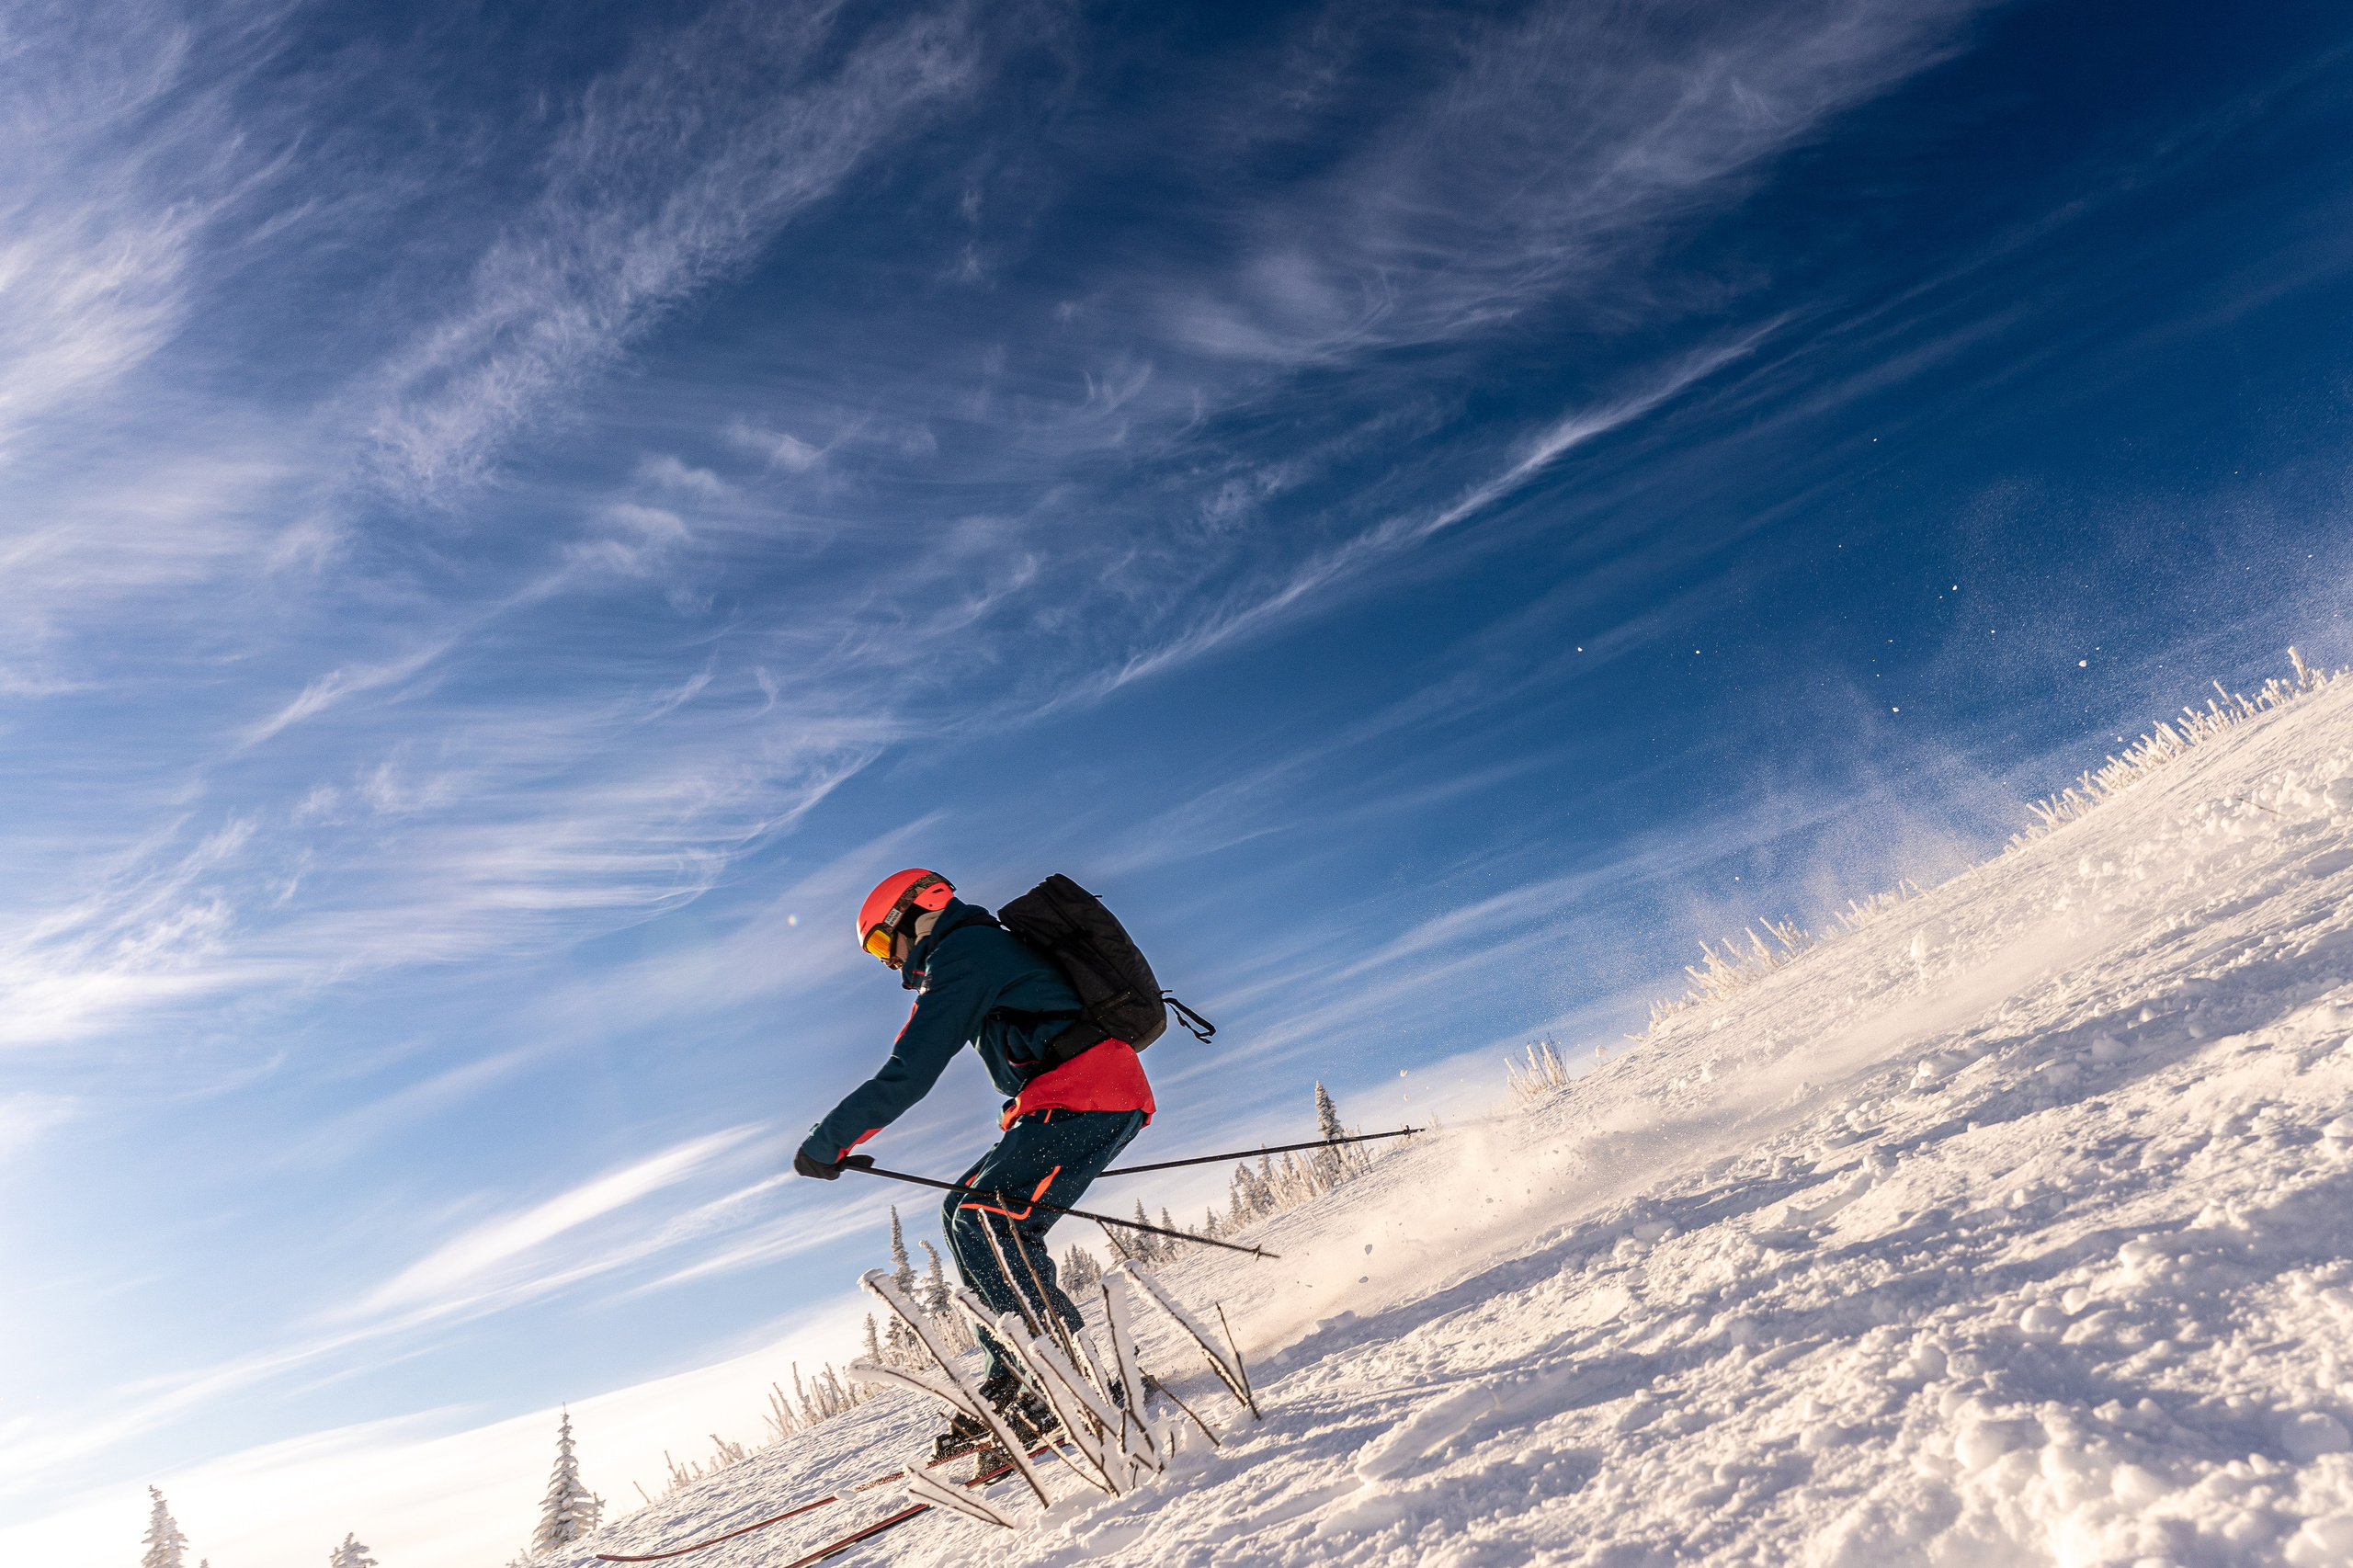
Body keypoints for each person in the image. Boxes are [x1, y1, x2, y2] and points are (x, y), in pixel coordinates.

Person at [794, 869, 1154, 1449]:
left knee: (988, 1219)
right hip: (1066, 1098)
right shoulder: (967, 953)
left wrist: (830, 1139)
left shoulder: (966, 953)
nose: (890, 964)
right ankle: (1017, 1369)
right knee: (962, 1207)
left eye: (886, 944)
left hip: (1089, 1094)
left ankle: (1067, 1376)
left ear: (917, 913)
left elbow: (910, 1068)